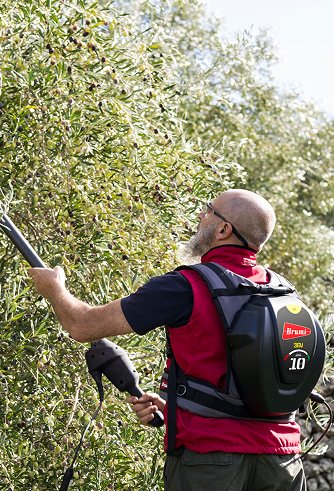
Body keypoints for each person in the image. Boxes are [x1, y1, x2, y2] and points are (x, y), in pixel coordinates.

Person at [28, 189, 307, 491]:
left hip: (210, 462)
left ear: (224, 229)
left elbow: (82, 326)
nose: (200, 216)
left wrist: (55, 290)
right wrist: (178, 407)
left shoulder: (185, 286)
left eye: (208, 210)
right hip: (283, 461)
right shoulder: (283, 292)